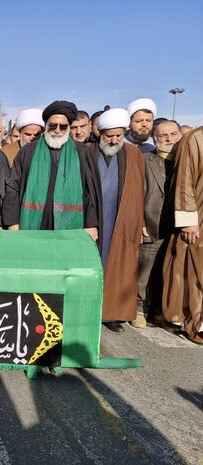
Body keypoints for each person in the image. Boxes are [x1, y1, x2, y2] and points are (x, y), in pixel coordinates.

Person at [2, 100, 100, 241]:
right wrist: (12, 222)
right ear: (46, 125)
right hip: (34, 223)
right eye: (53, 126)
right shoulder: (28, 151)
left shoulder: (82, 152)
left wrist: (91, 224)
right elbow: (13, 187)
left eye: (63, 126)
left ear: (68, 127)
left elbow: (90, 191)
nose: (57, 130)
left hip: (71, 223)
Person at [91, 109, 145, 332]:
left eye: (118, 135)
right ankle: (88, 310)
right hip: (92, 219)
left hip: (119, 218)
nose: (114, 140)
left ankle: (111, 313)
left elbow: (140, 190)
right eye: (109, 136)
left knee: (117, 265)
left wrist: (139, 222)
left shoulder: (133, 154)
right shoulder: (88, 152)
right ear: (100, 133)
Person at [136, 120, 180, 328]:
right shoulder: (145, 160)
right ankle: (139, 308)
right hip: (151, 223)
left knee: (169, 271)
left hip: (177, 227)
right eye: (163, 135)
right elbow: (136, 194)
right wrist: (140, 221)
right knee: (145, 270)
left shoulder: (185, 161)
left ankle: (159, 310)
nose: (169, 139)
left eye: (173, 134)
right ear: (155, 139)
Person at [162, 126, 203, 344]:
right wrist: (188, 220)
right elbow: (184, 180)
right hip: (198, 220)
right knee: (195, 271)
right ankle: (196, 324)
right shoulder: (195, 139)